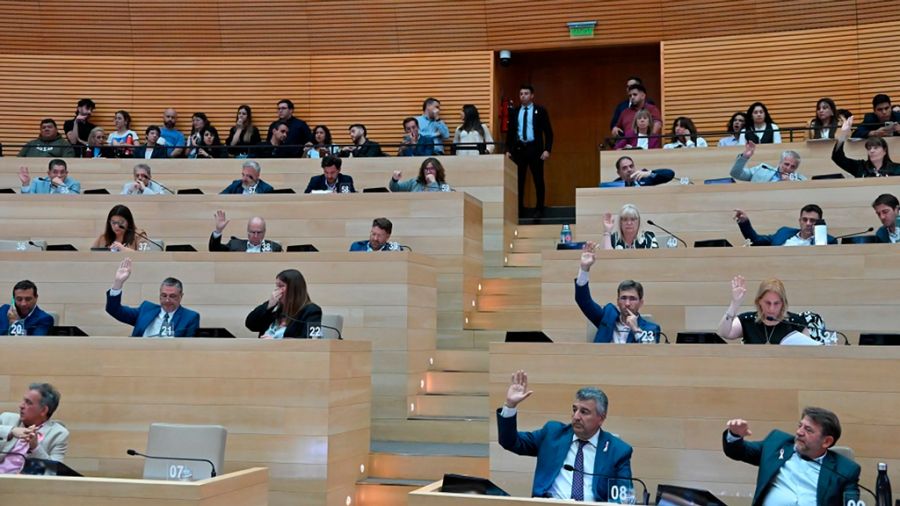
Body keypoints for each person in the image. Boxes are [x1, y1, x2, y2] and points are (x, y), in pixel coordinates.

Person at [496, 370, 633, 502]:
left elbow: (624, 498)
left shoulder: (618, 451)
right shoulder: (552, 433)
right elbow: (510, 441)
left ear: (601, 418)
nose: (576, 416)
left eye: (584, 412)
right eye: (575, 410)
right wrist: (510, 405)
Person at [722, 407, 860, 506]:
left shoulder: (846, 470)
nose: (799, 432)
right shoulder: (776, 444)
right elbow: (738, 451)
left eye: (808, 430)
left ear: (827, 441)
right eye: (800, 426)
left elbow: (852, 502)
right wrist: (735, 435)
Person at [576, 241, 661, 343]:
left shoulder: (650, 328)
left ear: (641, 302)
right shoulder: (607, 318)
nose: (627, 303)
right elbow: (583, 300)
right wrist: (584, 268)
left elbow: (650, 355)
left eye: (632, 299)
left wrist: (636, 330)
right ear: (617, 301)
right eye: (623, 298)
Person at [105, 258, 199, 337]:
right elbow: (114, 310)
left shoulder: (190, 317)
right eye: (164, 295)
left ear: (181, 296)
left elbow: (189, 347)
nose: (167, 300)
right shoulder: (146, 310)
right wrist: (118, 283)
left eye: (172, 296)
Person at [716, 275, 811, 344]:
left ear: (783, 303)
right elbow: (723, 333)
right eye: (767, 303)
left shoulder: (796, 323)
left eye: (776, 303)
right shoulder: (748, 320)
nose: (771, 308)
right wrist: (734, 304)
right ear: (759, 301)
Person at [507, 84, 554, 217]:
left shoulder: (540, 110)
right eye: (521, 94)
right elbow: (510, 133)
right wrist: (508, 149)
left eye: (526, 93)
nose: (523, 96)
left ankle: (539, 208)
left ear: (532, 95)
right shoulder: (515, 112)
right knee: (518, 180)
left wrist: (547, 150)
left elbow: (549, 132)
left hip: (536, 149)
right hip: (519, 149)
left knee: (538, 179)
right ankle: (519, 208)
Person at [0, 383, 68, 464]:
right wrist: (11, 431)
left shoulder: (58, 434)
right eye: (24, 401)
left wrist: (35, 447)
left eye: (28, 402)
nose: (21, 406)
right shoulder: (6, 419)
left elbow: (53, 471)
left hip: (24, 476)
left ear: (43, 410)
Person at [245, 269, 322, 339]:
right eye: (277, 286)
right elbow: (250, 325)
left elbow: (313, 339)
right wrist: (268, 306)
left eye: (281, 286)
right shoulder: (276, 310)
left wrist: (277, 342)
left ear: (294, 289)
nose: (277, 290)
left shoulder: (313, 311)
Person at [734, 205, 836, 246]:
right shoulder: (784, 233)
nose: (808, 223)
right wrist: (744, 222)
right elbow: (756, 241)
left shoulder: (828, 241)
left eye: (813, 221)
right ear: (799, 221)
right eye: (805, 220)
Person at [832, 115, 900, 177]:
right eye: (869, 148)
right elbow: (838, 158)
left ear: (885, 150)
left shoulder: (896, 169)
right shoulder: (860, 167)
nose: (872, 151)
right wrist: (843, 134)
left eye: (876, 148)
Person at [209, 210, 282, 252]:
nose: (256, 236)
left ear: (264, 232)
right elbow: (214, 250)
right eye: (253, 232)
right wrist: (218, 230)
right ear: (248, 231)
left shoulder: (274, 247)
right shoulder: (234, 245)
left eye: (259, 232)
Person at [730, 141, 805, 182]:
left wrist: (791, 184)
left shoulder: (801, 180)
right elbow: (735, 174)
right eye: (786, 164)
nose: (788, 168)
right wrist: (745, 157)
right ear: (780, 162)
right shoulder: (762, 170)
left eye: (792, 166)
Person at [602, 156, 674, 188]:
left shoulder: (645, 178)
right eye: (624, 168)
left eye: (631, 166)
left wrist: (650, 173)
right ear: (619, 173)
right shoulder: (615, 185)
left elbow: (670, 174)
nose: (629, 169)